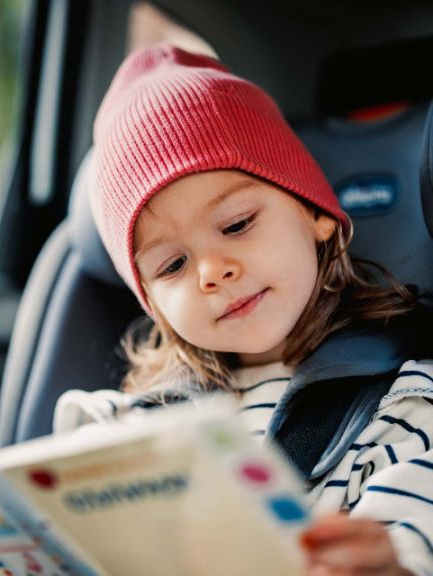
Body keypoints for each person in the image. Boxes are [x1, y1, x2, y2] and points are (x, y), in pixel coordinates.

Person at [52, 44, 433, 575]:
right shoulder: (127, 430)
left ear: (315, 212)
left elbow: (413, 538)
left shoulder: (405, 406)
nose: (212, 271)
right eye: (172, 266)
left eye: (236, 225)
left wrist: (386, 566)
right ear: (153, 306)